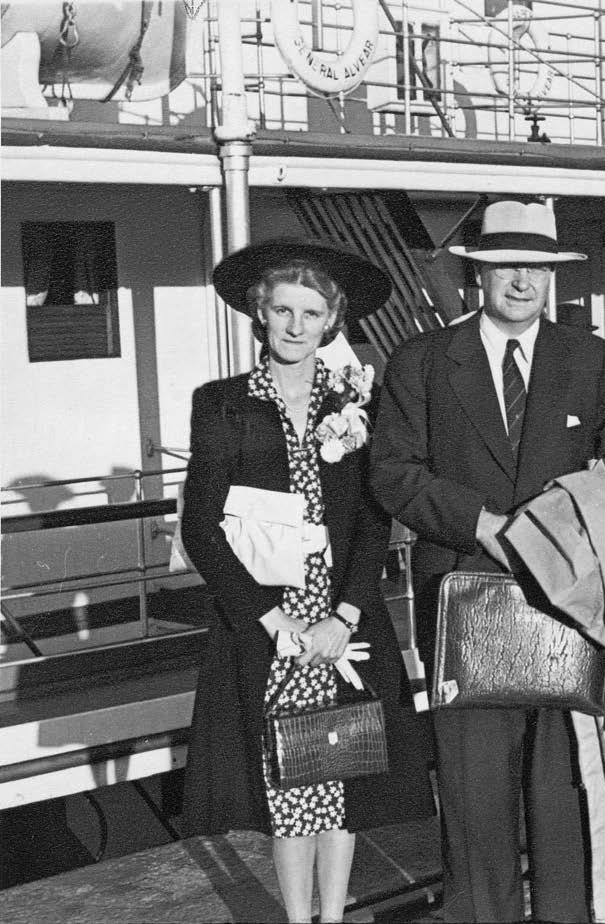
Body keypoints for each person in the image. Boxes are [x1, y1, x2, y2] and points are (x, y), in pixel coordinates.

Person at [369, 199, 605, 923]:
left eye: (535, 266)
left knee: (563, 796)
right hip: (467, 600)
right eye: (504, 266)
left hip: (568, 602)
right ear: (477, 273)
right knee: (472, 797)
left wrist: (591, 504)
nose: (520, 280)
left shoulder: (586, 358)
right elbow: (392, 472)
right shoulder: (422, 362)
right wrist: (482, 524)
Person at [180, 239, 433, 924]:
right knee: (292, 786)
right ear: (260, 315)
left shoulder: (356, 405)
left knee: (343, 772)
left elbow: (373, 523)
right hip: (271, 626)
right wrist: (271, 621)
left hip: (338, 624)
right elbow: (201, 529)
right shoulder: (224, 404)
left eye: (311, 312)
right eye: (283, 310)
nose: (296, 325)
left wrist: (343, 614)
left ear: (332, 321)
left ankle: (337, 915)